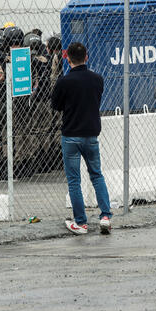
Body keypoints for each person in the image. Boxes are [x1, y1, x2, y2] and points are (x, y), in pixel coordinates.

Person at [50, 41, 112, 235]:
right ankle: (105, 216)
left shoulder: (64, 81)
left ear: (67, 59)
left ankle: (81, 222)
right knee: (96, 174)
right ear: (86, 57)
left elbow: (56, 106)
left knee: (74, 180)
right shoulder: (97, 79)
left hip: (71, 135)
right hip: (91, 133)